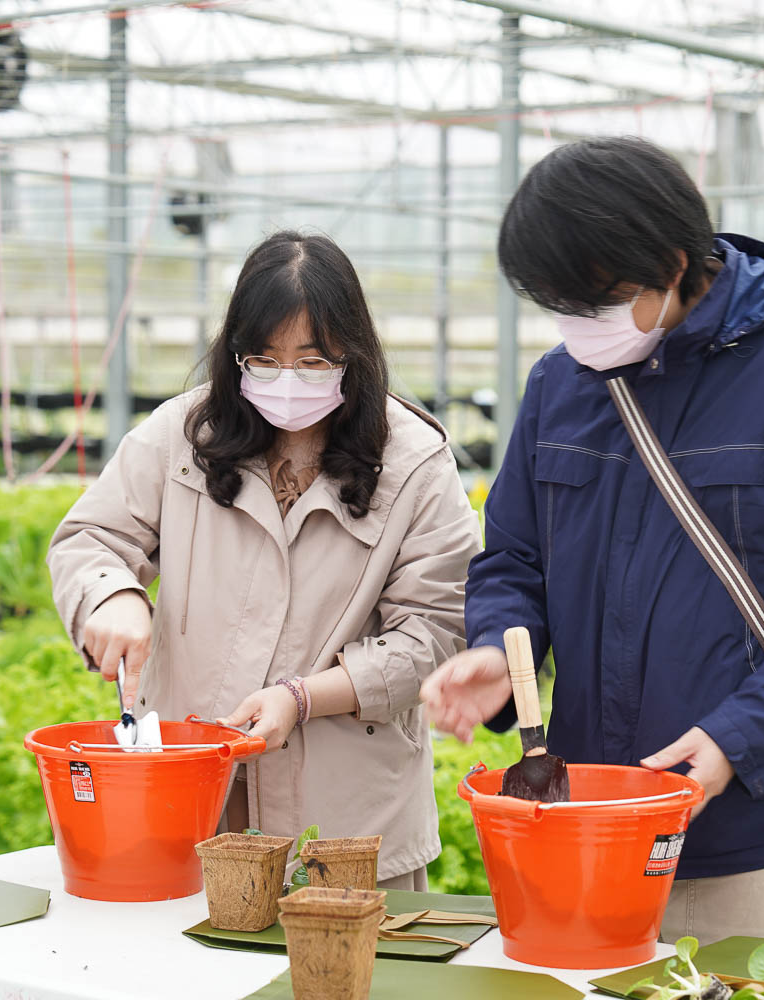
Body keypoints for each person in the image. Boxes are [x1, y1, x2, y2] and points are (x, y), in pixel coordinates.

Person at [421, 137, 764, 942]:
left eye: (595, 299)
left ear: (672, 262)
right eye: (557, 303)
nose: (576, 325)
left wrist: (740, 736)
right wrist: (499, 646)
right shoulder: (560, 384)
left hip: (761, 836)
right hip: (591, 827)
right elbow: (513, 556)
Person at [48, 230, 481, 889]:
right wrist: (112, 595)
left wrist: (304, 698)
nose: (287, 382)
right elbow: (91, 539)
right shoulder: (182, 434)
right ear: (236, 357)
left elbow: (437, 629)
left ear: (351, 355)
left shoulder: (412, 460)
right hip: (189, 794)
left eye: (312, 362)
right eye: (265, 359)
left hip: (347, 818)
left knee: (338, 977)